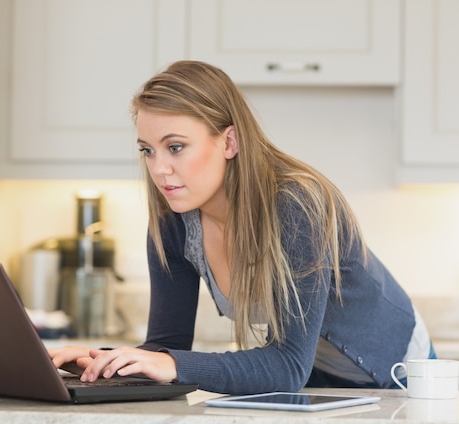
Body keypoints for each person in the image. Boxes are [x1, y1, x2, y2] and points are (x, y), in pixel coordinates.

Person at [48, 60, 434, 395]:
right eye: (147, 149)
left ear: (229, 141)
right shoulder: (173, 223)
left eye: (176, 147)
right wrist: (101, 363)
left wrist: (175, 365)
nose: (159, 169)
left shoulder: (296, 206)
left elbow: (286, 365)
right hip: (315, 378)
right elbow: (165, 347)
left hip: (398, 373)